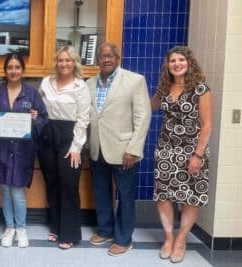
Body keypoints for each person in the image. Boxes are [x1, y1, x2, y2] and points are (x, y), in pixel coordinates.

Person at [86, 42, 151, 256]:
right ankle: (105, 230)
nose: (105, 60)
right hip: (97, 149)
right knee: (101, 192)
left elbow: (143, 116)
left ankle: (123, 239)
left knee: (125, 195)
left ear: (117, 58)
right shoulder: (89, 83)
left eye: (109, 56)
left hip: (125, 151)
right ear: (97, 60)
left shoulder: (134, 80)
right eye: (102, 56)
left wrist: (134, 148)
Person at [151, 46, 212, 263]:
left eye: (181, 60)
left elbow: (207, 125)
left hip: (192, 151)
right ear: (167, 65)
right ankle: (168, 238)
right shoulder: (164, 89)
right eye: (172, 61)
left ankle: (181, 240)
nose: (177, 64)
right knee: (164, 196)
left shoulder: (200, 89)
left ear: (189, 63)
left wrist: (198, 155)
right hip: (166, 150)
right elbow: (146, 108)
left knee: (190, 197)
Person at [0, 53, 47, 248]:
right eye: (10, 67)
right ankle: (9, 227)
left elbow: (44, 118)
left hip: (22, 150)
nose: (13, 71)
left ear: (22, 70)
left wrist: (36, 119)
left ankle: (21, 227)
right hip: (1, 148)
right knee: (5, 190)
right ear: (5, 70)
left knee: (17, 191)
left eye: (17, 67)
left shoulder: (32, 94)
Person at [37, 45, 91, 250]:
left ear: (74, 62)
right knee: (52, 183)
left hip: (71, 137)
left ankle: (69, 233)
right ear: (56, 62)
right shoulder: (46, 82)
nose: (64, 64)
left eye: (68, 60)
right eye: (61, 60)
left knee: (68, 185)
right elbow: (40, 109)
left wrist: (77, 146)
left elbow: (83, 118)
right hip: (48, 135)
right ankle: (56, 227)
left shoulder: (80, 87)